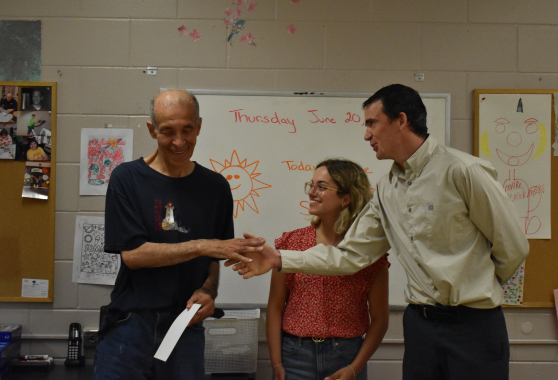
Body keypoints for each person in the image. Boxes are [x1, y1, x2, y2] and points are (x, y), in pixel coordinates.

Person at [230, 84, 530, 380]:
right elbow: (350, 257)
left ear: (401, 120)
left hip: (474, 325)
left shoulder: (463, 171)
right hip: (421, 325)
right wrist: (279, 258)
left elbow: (513, 247)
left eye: (372, 123)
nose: (366, 134)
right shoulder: (387, 190)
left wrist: (477, 288)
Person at [93, 90, 263, 380]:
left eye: (187, 130)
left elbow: (214, 259)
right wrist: (202, 245)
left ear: (198, 126)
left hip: (184, 327)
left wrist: (209, 291)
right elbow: (134, 255)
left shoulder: (216, 187)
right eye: (168, 131)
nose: (179, 141)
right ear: (152, 130)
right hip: (131, 324)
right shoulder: (127, 178)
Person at [267, 159, 389, 380]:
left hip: (347, 356)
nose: (311, 192)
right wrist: (276, 364)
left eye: (321, 187)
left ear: (346, 198)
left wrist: (355, 367)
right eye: (311, 185)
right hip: (295, 356)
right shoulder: (291, 243)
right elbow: (275, 307)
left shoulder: (368, 252)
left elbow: (380, 319)